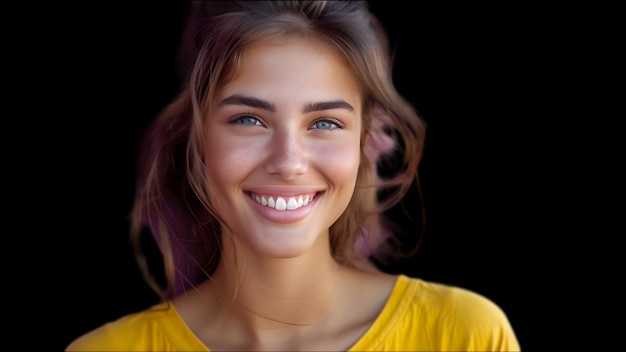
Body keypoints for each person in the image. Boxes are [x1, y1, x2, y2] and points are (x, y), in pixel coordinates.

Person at [66, 1, 520, 351]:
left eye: (324, 123)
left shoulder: (463, 334)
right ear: (197, 140)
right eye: (249, 119)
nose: (288, 162)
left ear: (364, 143)